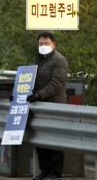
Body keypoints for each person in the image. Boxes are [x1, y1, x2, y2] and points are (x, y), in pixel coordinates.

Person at [29, 32, 68, 180]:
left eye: (46, 43)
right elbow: (31, 79)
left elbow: (56, 84)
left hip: (54, 105)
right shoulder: (38, 60)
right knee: (40, 139)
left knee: (54, 140)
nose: (43, 46)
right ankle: (44, 170)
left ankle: (55, 172)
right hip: (39, 105)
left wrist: (39, 95)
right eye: (40, 44)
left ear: (53, 45)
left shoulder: (60, 61)